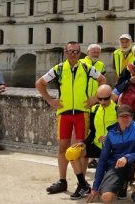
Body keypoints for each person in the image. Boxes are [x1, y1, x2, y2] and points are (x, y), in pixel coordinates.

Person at [36, 41, 107, 195]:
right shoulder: (59, 68)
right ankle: (62, 181)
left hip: (81, 113)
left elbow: (102, 80)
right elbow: (40, 83)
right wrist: (49, 100)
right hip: (64, 113)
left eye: (76, 52)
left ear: (79, 53)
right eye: (70, 51)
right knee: (63, 148)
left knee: (80, 149)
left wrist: (94, 98)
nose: (73, 54)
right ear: (65, 52)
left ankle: (81, 183)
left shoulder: (86, 67)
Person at [87, 104, 135, 204]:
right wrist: (95, 187)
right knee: (106, 198)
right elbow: (102, 160)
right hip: (116, 166)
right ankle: (122, 185)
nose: (125, 119)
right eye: (122, 116)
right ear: (117, 118)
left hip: (132, 164)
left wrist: (126, 158)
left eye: (127, 116)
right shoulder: (110, 134)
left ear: (132, 117)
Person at [67, 84, 117, 200]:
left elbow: (124, 132)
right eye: (100, 99)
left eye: (106, 98)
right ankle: (83, 185)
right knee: (71, 153)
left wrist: (109, 137)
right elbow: (94, 131)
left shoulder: (117, 109)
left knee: (107, 194)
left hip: (113, 149)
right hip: (97, 146)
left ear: (111, 96)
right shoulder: (94, 109)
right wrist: (84, 143)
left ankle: (122, 182)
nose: (103, 102)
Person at [82, 44, 107, 110]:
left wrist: (96, 98)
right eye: (93, 52)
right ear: (87, 52)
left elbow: (102, 82)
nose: (96, 54)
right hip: (82, 100)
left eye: (98, 52)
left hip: (96, 100)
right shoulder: (80, 63)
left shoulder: (101, 65)